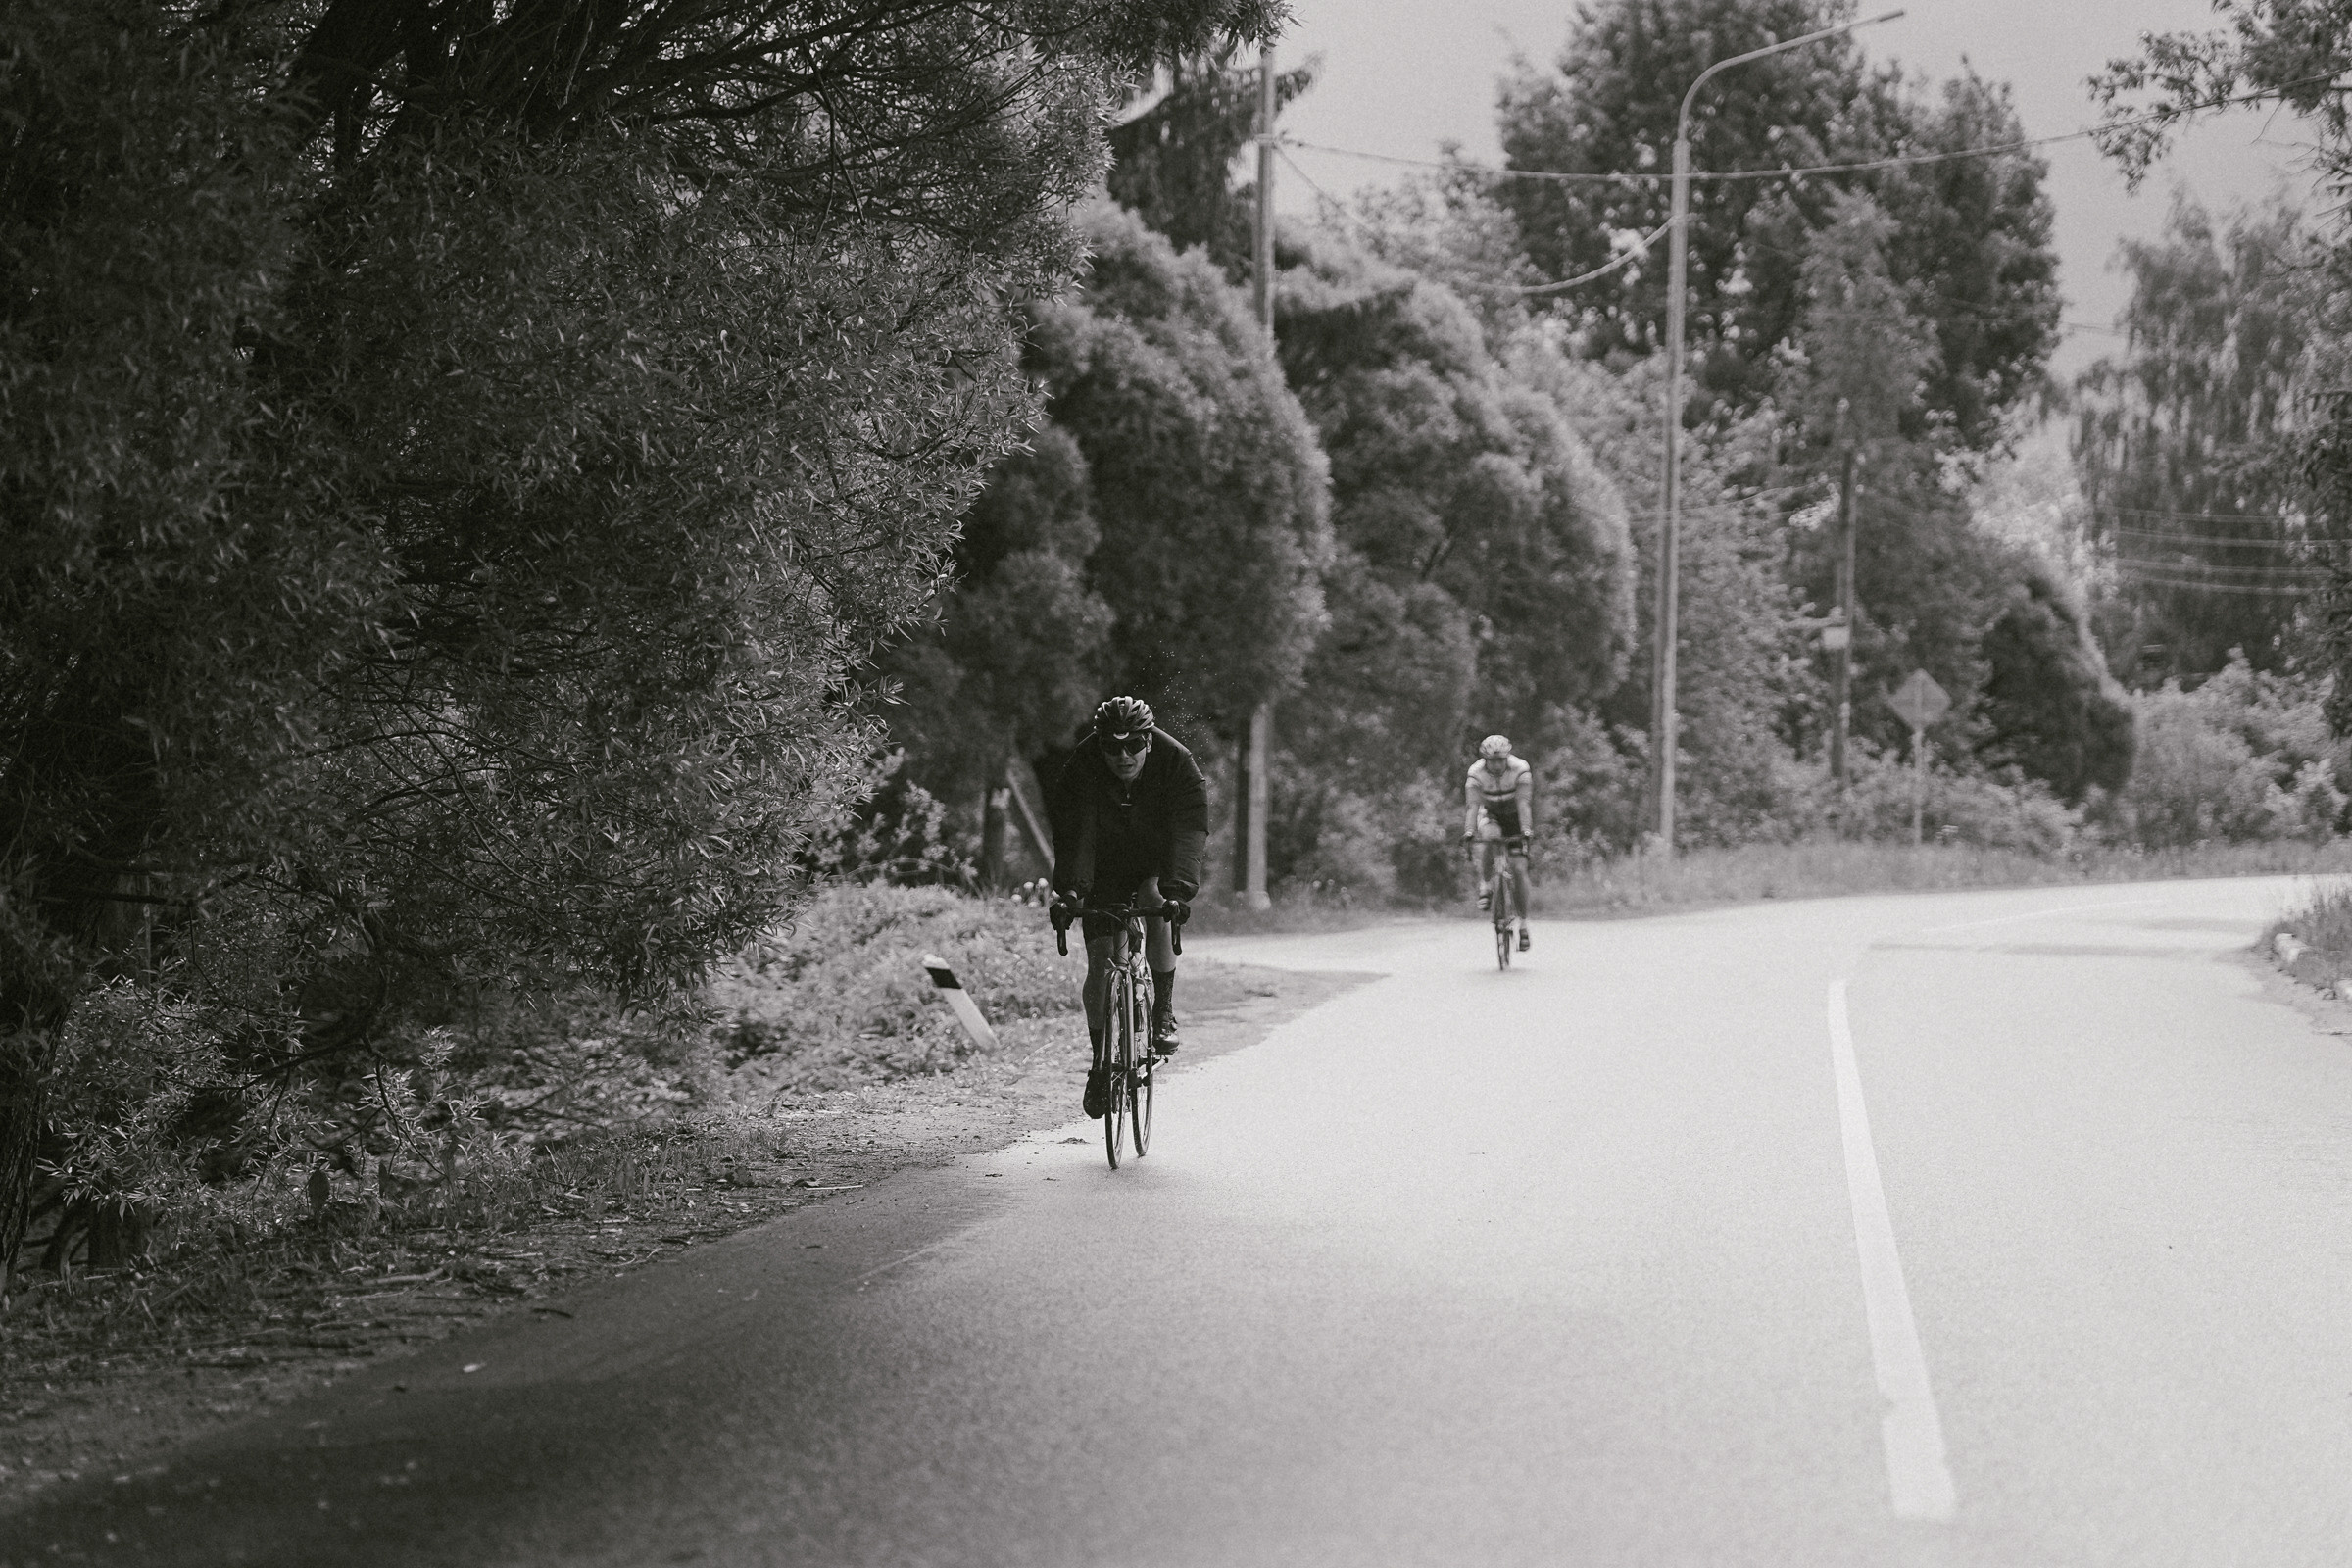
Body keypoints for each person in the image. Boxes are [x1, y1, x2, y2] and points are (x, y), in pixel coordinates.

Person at [1048, 696, 1206, 1119]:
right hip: (1104, 862)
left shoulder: (1177, 762)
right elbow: (1074, 834)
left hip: (1156, 856)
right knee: (1101, 961)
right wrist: (1071, 893)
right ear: (1099, 745)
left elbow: (1189, 830)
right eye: (1112, 747)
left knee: (1156, 900)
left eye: (1133, 744)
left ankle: (1163, 1010)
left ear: (1148, 741)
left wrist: (1178, 892)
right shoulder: (1082, 766)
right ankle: (1100, 1064)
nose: (1123, 756)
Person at [1464, 734, 1534, 952]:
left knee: (1519, 869)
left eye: (1501, 760)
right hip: (1491, 813)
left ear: (1507, 757)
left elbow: (1523, 803)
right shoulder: (1475, 773)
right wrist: (1469, 831)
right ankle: (1485, 885)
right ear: (1484, 760)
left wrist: (1526, 830)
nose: (1496, 765)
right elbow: (1473, 807)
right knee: (1490, 837)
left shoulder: (1520, 769)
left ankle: (1523, 924)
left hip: (1514, 816)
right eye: (1492, 761)